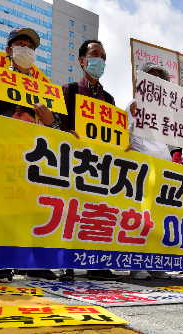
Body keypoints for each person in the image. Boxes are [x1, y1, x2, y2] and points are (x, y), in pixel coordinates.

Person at [0, 27, 61, 282]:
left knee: (36, 209)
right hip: (4, 153)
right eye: (21, 44)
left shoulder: (44, 87)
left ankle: (37, 262)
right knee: (5, 208)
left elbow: (54, 131)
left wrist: (51, 121)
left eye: (31, 46)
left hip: (34, 156)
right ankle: (2, 262)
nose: (27, 49)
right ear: (9, 50)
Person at [59, 39, 120, 282]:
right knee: (70, 212)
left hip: (100, 166)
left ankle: (97, 262)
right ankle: (66, 262)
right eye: (95, 55)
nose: (100, 61)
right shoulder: (69, 90)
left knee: (97, 212)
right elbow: (57, 127)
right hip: (73, 162)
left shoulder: (109, 99)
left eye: (103, 57)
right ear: (82, 60)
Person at [126, 62, 172, 280]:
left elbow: (171, 145)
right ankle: (136, 264)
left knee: (159, 218)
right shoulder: (132, 106)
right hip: (141, 169)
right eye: (151, 77)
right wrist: (134, 117)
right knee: (141, 217)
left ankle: (156, 264)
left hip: (163, 170)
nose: (156, 82)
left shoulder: (168, 115)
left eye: (160, 79)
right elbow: (126, 137)